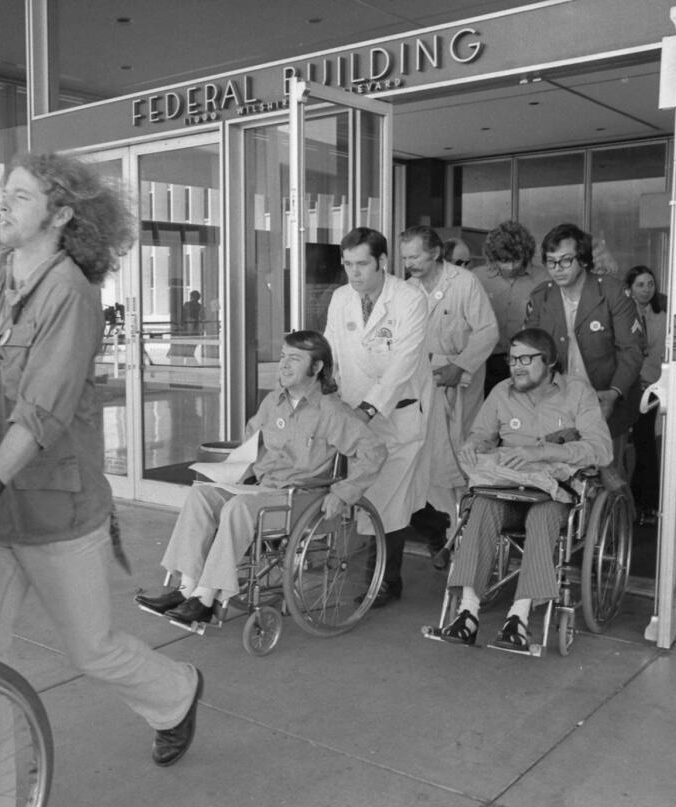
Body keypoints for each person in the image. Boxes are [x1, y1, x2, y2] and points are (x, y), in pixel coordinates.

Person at [0, 35, 203, 769]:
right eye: (4, 193)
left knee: (91, 647)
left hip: (48, 507)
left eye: (18, 196)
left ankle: (175, 690)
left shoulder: (70, 296)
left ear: (61, 215)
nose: (1, 205)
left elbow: (39, 415)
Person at [135, 330, 386, 623]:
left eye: (294, 359)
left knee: (238, 508)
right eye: (282, 357)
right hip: (264, 490)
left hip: (300, 499)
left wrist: (344, 493)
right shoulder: (272, 403)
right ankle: (186, 587)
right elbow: (250, 442)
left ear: (316, 368)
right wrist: (236, 468)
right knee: (201, 494)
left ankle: (205, 598)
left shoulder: (332, 412)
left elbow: (374, 452)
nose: (284, 365)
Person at [437, 328, 612, 651]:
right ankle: (468, 612)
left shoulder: (577, 393)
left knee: (542, 517)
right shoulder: (502, 393)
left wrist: (544, 451)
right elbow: (481, 435)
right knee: (481, 509)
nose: (516, 366)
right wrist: (474, 447)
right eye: (512, 359)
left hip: (553, 493)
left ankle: (518, 617)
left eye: (526, 359)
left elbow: (601, 450)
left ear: (550, 362)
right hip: (507, 488)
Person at [324, 226, 433, 606]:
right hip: (355, 415)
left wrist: (370, 407)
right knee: (385, 494)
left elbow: (405, 361)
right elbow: (333, 349)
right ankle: (437, 528)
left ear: (383, 262)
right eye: (348, 264)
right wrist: (324, 386)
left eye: (362, 264)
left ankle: (383, 583)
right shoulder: (341, 298)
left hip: (396, 413)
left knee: (386, 497)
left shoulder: (409, 299)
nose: (354, 273)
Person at [402, 226, 498, 563]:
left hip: (461, 384)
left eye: (414, 256)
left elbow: (488, 331)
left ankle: (469, 538)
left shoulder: (463, 283)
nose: (409, 263)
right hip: (425, 385)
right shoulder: (408, 290)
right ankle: (443, 532)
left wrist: (460, 366)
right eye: (405, 257)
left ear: (434, 253)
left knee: (462, 457)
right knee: (430, 461)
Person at [524, 222, 643, 474]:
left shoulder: (613, 292)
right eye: (551, 261)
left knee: (608, 473)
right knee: (561, 474)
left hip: (608, 397)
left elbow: (631, 351)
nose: (557, 269)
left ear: (584, 260)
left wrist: (613, 392)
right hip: (559, 402)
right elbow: (529, 352)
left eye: (566, 260)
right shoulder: (541, 296)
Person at [472, 221, 550, 395]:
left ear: (527, 255)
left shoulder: (544, 279)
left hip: (528, 360)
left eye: (516, 260)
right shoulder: (476, 278)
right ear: (493, 257)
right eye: (504, 261)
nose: (511, 267)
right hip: (485, 362)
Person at [625, 265, 666, 526]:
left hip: (650, 384)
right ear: (629, 288)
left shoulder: (661, 313)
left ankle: (647, 503)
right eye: (640, 284)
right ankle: (627, 500)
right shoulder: (623, 311)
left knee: (645, 443)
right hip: (624, 383)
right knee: (620, 445)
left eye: (650, 283)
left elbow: (660, 350)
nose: (647, 289)